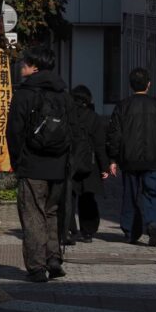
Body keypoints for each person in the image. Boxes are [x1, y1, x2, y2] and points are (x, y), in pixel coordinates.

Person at [6, 44, 73, 282]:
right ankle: (53, 259)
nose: (22, 65)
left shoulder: (24, 94)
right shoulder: (63, 94)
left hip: (32, 164)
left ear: (34, 67)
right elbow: (73, 129)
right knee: (52, 212)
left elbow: (14, 132)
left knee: (33, 214)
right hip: (58, 165)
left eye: (25, 62)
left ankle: (36, 267)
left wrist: (17, 161)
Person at [106, 68, 156, 247]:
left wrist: (112, 159)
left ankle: (131, 231)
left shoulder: (123, 106)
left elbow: (114, 135)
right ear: (149, 84)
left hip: (129, 159)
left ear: (130, 85)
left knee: (130, 195)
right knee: (155, 194)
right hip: (155, 159)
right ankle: (154, 222)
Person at [63, 85, 109, 244]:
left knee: (69, 196)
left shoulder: (67, 115)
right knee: (88, 197)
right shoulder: (94, 118)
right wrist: (105, 167)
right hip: (90, 164)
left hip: (70, 161)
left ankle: (68, 229)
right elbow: (100, 145)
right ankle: (88, 231)